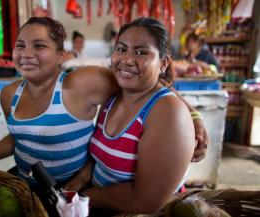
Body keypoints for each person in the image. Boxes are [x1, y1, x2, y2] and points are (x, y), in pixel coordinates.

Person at [0, 16, 207, 198]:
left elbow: (151, 88)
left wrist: (192, 115)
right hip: (28, 187)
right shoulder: (8, 95)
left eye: (39, 46)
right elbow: (18, 139)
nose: (26, 54)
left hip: (73, 191)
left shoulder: (86, 84)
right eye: (20, 45)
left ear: (60, 55)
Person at [64, 17, 196, 215]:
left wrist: (83, 197)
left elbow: (146, 201)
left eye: (141, 52)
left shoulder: (168, 112)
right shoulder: (113, 97)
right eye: (121, 49)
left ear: (163, 63)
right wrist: (78, 181)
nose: (126, 60)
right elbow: (101, 157)